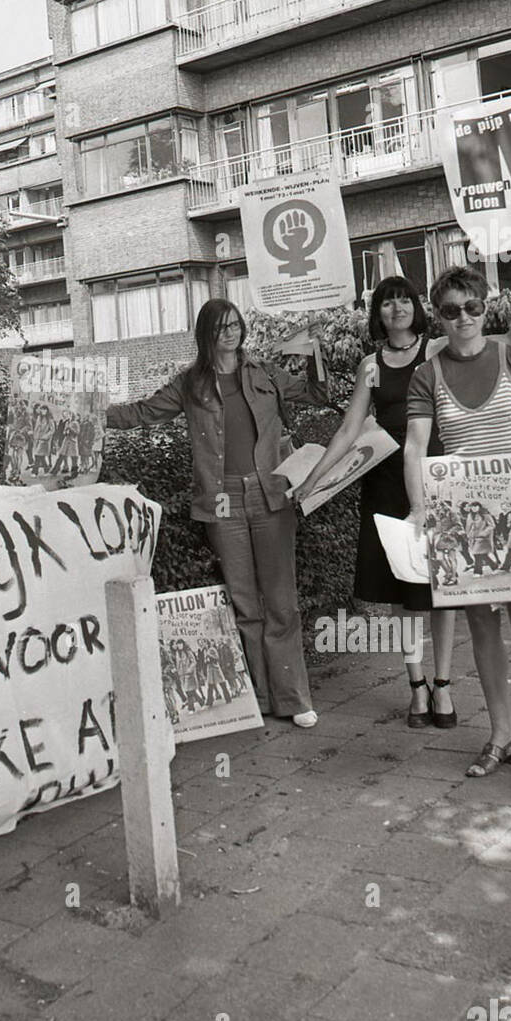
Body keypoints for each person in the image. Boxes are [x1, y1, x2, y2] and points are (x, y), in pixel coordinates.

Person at [295, 266, 511, 728]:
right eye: (387, 300)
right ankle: (417, 685)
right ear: (378, 315)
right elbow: (348, 431)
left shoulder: (437, 348)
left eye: (404, 298)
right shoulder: (371, 365)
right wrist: (313, 480)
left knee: (441, 591)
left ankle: (443, 686)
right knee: (403, 593)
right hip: (386, 484)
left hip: (438, 481)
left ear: (418, 309)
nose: (397, 307)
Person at [404, 266, 511, 801]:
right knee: (480, 627)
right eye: (452, 310)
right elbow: (416, 446)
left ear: (487, 307)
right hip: (460, 514)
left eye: (473, 307)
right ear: (439, 315)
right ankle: (503, 733)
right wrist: (418, 508)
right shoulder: (425, 374)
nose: (464, 318)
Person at [106, 299, 328, 724]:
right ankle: (260, 700)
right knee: (245, 603)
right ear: (206, 334)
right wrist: (91, 415)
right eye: (221, 327)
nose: (231, 333)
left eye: (235, 325)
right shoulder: (191, 384)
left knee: (282, 600)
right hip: (222, 498)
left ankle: (294, 699)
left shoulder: (263, 373)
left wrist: (315, 353)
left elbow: (317, 394)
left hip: (271, 493)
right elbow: (142, 411)